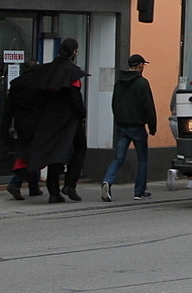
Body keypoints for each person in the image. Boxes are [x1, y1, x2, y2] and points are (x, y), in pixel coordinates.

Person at [29, 39, 87, 203]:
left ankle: (54, 192)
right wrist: (82, 113)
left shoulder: (48, 69)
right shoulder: (72, 72)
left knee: (54, 153)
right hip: (69, 119)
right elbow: (75, 97)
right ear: (74, 52)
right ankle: (70, 184)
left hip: (49, 118)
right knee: (80, 147)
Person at [101, 54, 157, 201]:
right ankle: (139, 191)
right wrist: (152, 126)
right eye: (143, 65)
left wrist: (119, 121)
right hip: (137, 127)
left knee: (118, 158)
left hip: (122, 126)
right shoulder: (142, 83)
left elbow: (114, 104)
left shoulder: (119, 83)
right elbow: (149, 106)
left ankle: (107, 180)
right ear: (139, 66)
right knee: (142, 159)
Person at [1, 58, 42, 199]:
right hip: (36, 123)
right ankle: (15, 182)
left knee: (28, 152)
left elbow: (9, 108)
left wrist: (5, 127)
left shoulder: (16, 84)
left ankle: (34, 186)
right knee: (33, 154)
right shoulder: (38, 83)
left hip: (20, 123)